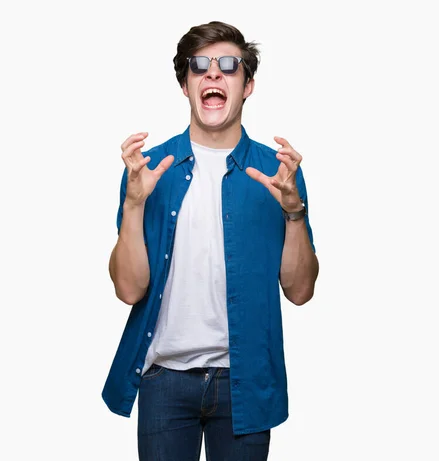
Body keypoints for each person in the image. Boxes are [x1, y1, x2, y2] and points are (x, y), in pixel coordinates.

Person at [102, 21, 319, 461]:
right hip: (165, 381)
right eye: (199, 66)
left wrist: (294, 213)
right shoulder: (149, 170)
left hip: (246, 382)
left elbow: (300, 291)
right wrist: (133, 205)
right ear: (186, 84)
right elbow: (129, 290)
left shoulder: (278, 174)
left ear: (248, 85)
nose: (213, 74)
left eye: (228, 66)